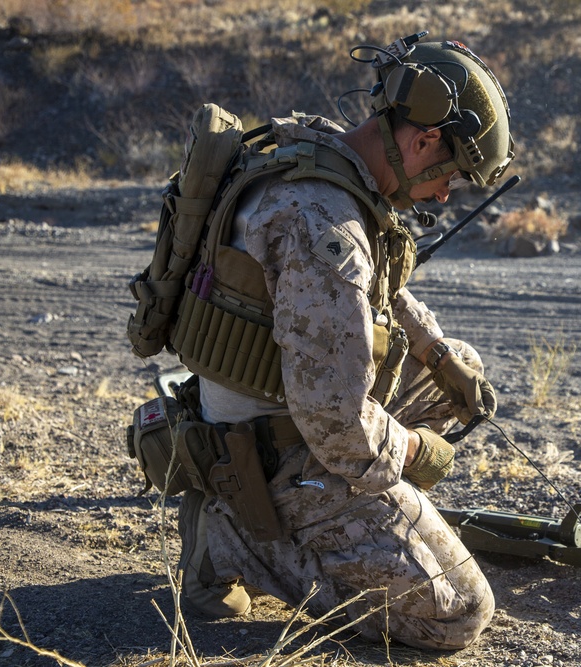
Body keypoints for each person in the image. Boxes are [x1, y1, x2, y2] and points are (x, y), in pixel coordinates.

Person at [173, 35, 514, 650]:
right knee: (460, 612)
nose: (443, 195)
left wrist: (437, 354)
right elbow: (335, 424)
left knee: (458, 365)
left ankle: (350, 519)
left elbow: (380, 290)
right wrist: (413, 452)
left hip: (276, 401)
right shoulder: (322, 228)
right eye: (451, 177)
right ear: (424, 140)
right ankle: (237, 539)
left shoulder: (324, 154)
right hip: (280, 449)